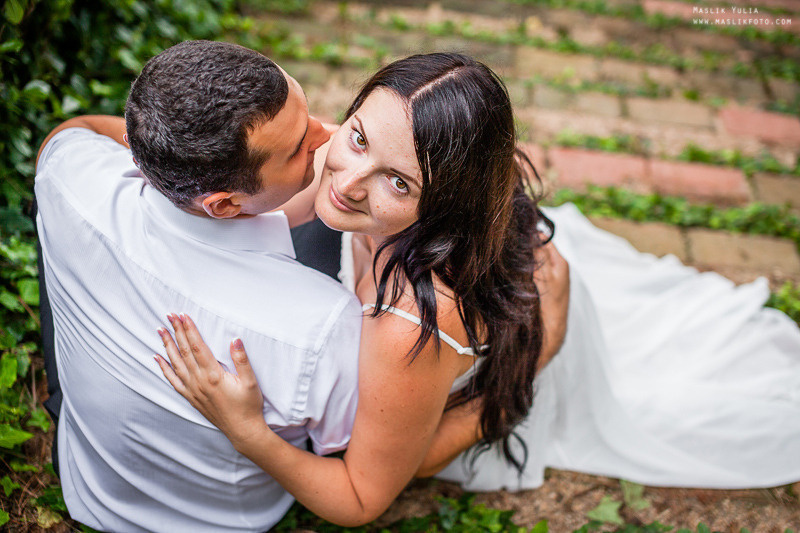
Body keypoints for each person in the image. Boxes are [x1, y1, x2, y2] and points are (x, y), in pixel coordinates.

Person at [158, 52, 800, 527]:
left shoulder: (409, 319)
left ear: (447, 202)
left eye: (398, 183)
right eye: (356, 137)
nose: (347, 181)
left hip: (469, 357)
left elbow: (361, 496)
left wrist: (250, 435)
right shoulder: (347, 146)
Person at [34, 40, 363, 532]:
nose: (326, 135)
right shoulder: (321, 325)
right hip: (223, 519)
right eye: (300, 147)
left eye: (308, 115)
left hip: (91, 487)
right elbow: (355, 466)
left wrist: (161, 156)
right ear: (225, 206)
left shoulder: (68, 175)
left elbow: (69, 132)